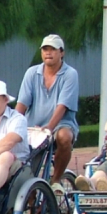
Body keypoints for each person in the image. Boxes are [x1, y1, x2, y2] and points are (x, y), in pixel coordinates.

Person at [16, 34, 79, 192]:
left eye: (53, 49)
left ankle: (56, 180)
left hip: (60, 125)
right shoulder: (32, 73)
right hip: (33, 126)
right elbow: (22, 103)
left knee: (64, 137)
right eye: (45, 49)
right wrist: (13, 125)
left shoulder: (70, 74)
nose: (48, 53)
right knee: (28, 169)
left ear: (61, 52)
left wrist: (48, 129)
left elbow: (62, 105)